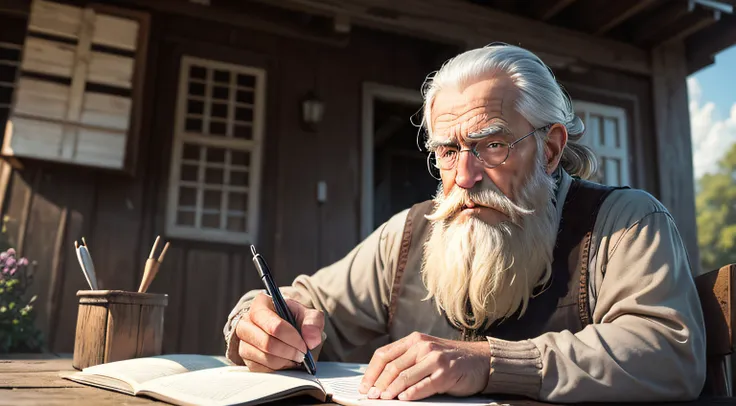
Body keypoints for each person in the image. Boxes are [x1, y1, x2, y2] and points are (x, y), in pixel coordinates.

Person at [222, 44, 706, 402]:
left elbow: (669, 351)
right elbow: (306, 300)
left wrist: (490, 363)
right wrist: (259, 324)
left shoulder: (623, 224)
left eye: (492, 145)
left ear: (551, 148)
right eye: (449, 151)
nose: (466, 176)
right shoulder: (408, 235)